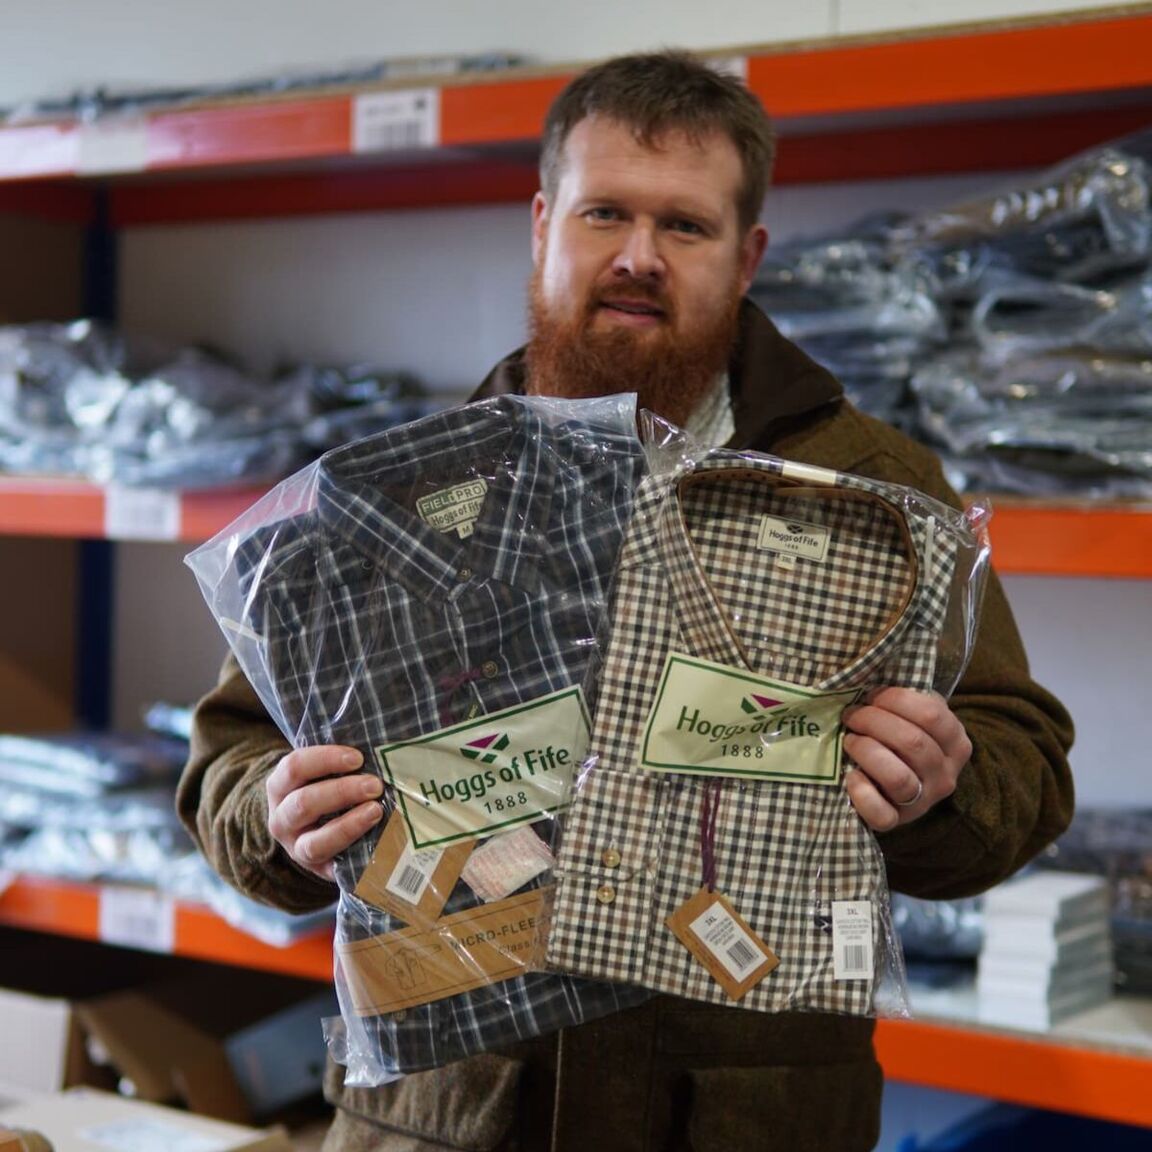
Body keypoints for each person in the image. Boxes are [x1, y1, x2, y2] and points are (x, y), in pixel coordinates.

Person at [177, 50, 1074, 1152]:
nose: (639, 257)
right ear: (544, 224)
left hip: (746, 1118)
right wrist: (277, 817)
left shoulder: (878, 494)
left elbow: (1023, 762)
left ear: (747, 257)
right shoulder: (395, 495)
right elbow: (227, 758)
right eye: (606, 213)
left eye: (685, 227)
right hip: (454, 1116)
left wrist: (945, 782)